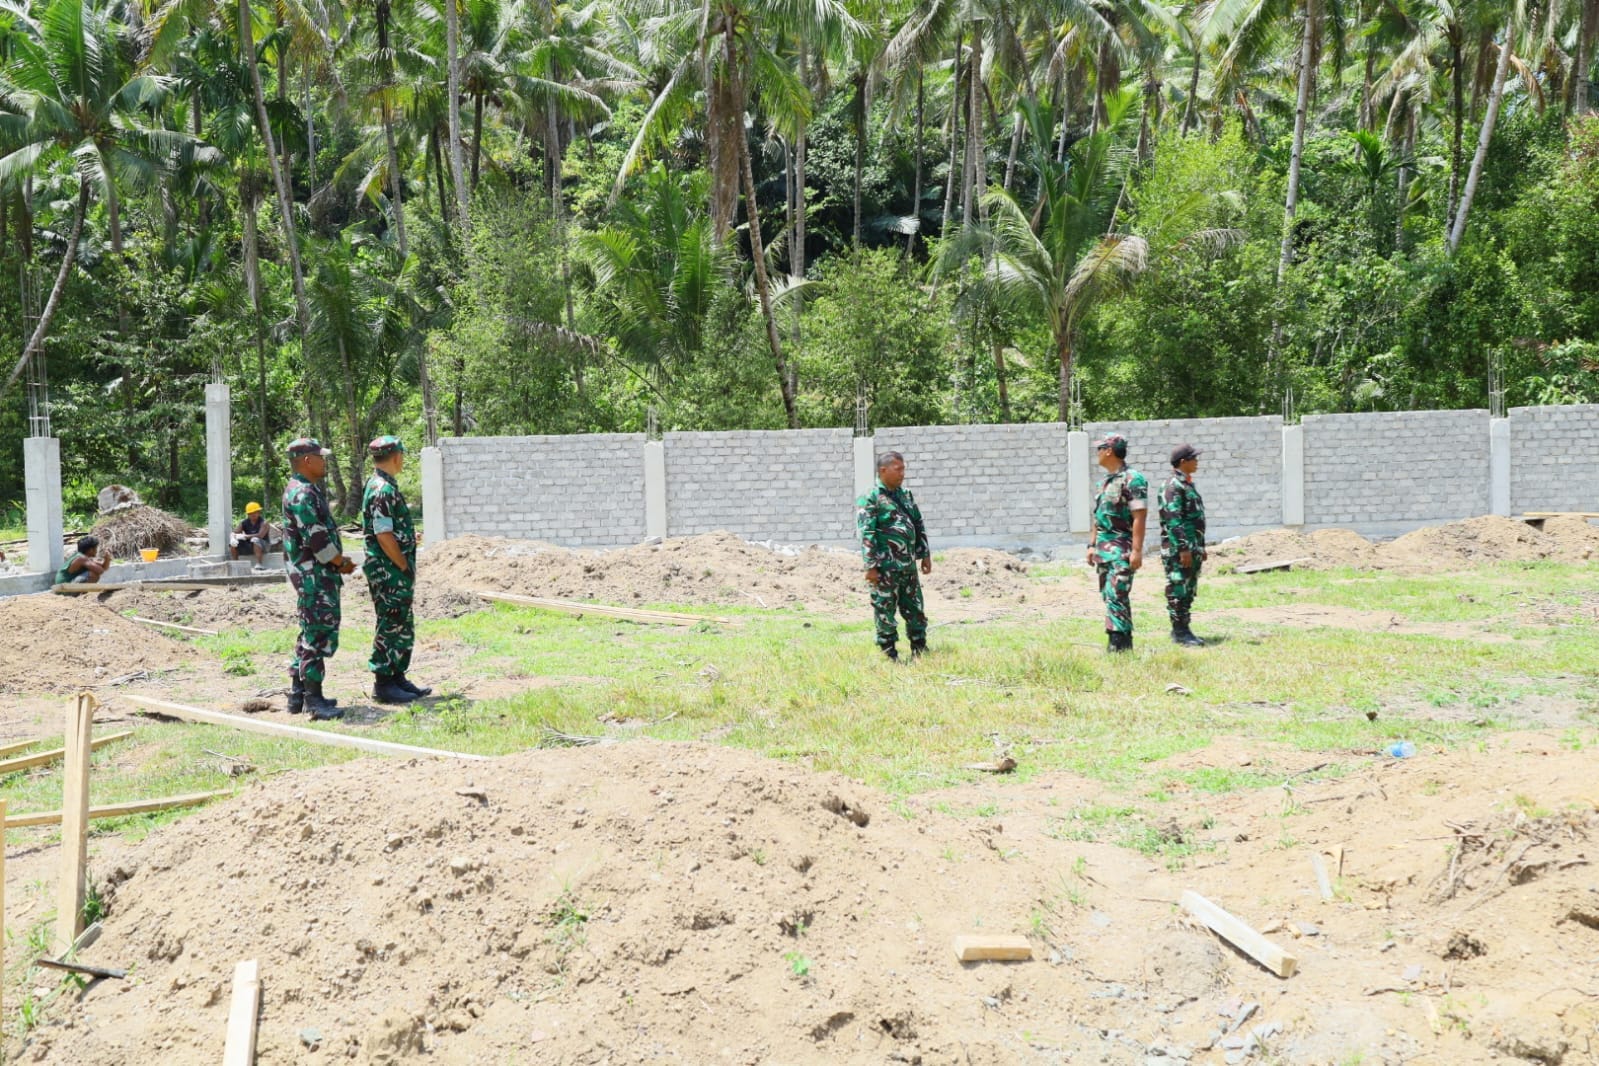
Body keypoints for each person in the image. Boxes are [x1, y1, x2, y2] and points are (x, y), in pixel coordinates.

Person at [281, 438, 355, 720]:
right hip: (315, 575)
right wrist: (341, 563)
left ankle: (298, 694)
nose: (325, 462)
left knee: (308, 629)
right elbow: (318, 541)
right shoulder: (303, 494)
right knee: (317, 633)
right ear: (308, 461)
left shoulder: (301, 489)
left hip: (311, 574)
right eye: (320, 457)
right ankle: (314, 700)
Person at [362, 435, 431, 704]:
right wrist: (402, 563)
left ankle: (397, 675)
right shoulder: (382, 489)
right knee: (391, 622)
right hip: (389, 569)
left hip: (392, 568)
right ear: (396, 456)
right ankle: (384, 683)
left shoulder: (384, 485)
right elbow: (382, 534)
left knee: (401, 621)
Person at [856, 451, 932, 661]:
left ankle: (919, 647)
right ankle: (889, 653)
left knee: (915, 608)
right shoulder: (870, 497)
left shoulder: (905, 495)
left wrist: (924, 553)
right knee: (885, 610)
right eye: (898, 469)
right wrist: (870, 566)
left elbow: (918, 523)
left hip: (907, 566)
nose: (902, 473)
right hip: (884, 569)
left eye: (903, 469)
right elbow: (866, 533)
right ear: (883, 470)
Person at [1087, 433, 1148, 653]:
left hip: (1122, 548)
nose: (1097, 453)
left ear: (1109, 451)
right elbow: (1098, 516)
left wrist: (1137, 550)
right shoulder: (1104, 482)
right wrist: (1091, 545)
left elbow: (1140, 515)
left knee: (1117, 593)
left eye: (1100, 448)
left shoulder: (1133, 479)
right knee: (1109, 595)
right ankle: (1122, 642)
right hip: (1103, 551)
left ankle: (1118, 643)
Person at [1160, 444, 1207, 647]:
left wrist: (1199, 546)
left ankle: (1184, 629)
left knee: (1188, 589)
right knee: (1178, 588)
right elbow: (1173, 520)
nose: (1197, 461)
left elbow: (1195, 520)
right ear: (1182, 462)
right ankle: (1180, 632)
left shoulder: (1187, 485)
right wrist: (1183, 548)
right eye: (1193, 458)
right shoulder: (1173, 486)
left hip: (1192, 547)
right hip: (1179, 550)